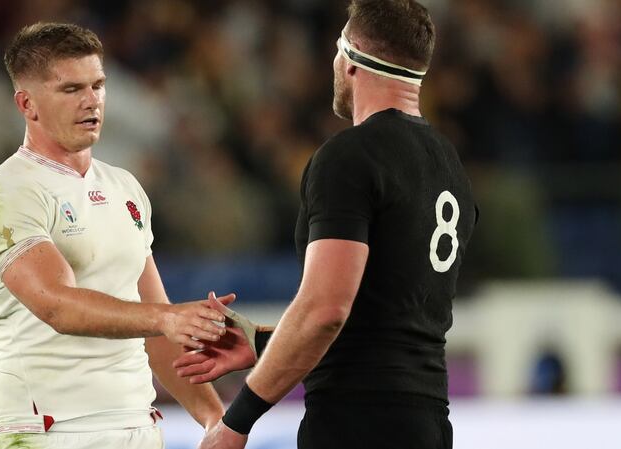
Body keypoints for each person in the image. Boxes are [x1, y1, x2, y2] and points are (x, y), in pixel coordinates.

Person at [174, 1, 478, 448]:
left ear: (351, 55)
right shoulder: (450, 166)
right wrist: (264, 344)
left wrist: (236, 422)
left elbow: (325, 312)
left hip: (355, 423)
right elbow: (382, 323)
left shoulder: (350, 156)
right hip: (428, 422)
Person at [0, 22, 232, 449]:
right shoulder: (6, 192)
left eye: (98, 85)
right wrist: (164, 318)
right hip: (49, 431)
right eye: (71, 89)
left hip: (138, 426)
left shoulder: (125, 187)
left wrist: (215, 419)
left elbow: (158, 328)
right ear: (27, 103)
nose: (92, 101)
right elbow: (56, 306)